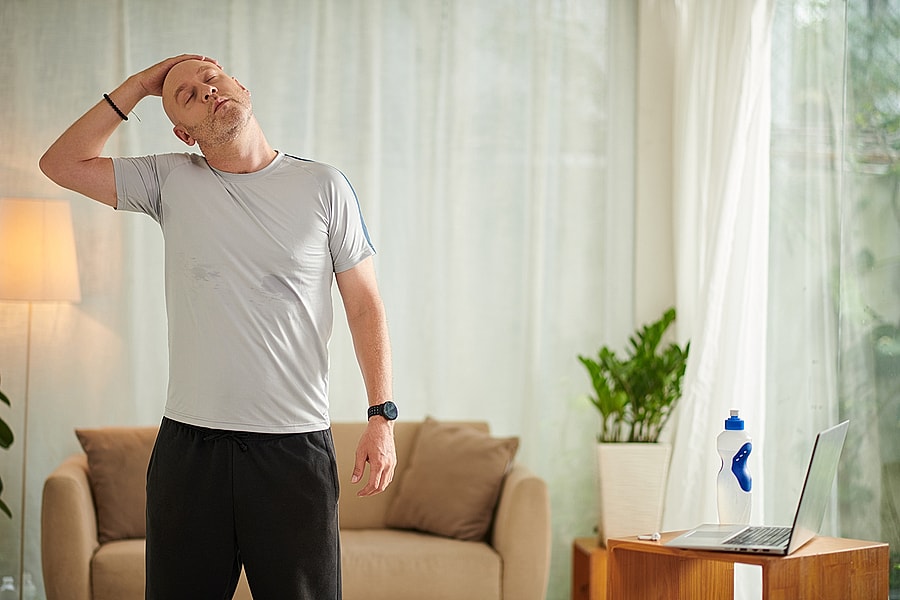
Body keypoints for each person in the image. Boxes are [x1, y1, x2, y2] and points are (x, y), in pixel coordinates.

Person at [40, 54, 397, 600]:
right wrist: (139, 85)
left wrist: (381, 415)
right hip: (190, 453)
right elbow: (60, 163)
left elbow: (365, 304)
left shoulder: (325, 187)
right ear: (183, 132)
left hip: (292, 452)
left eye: (212, 78)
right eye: (185, 93)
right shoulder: (168, 179)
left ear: (240, 86)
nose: (206, 90)